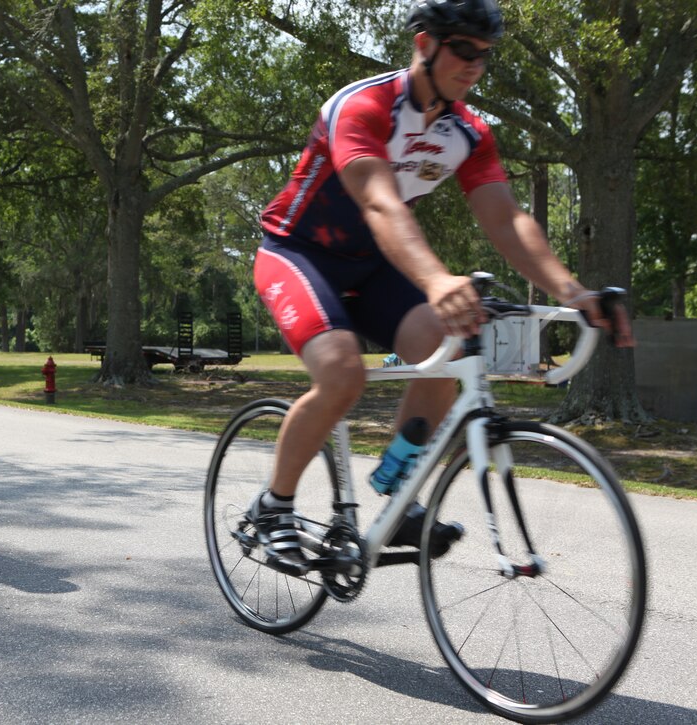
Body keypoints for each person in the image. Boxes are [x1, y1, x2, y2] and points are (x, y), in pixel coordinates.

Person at [249, 0, 633, 574]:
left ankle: (397, 487)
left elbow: (505, 219)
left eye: (485, 55)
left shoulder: (470, 133)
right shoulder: (363, 106)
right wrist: (434, 278)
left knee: (448, 341)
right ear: (425, 43)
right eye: (464, 49)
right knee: (343, 373)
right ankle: (273, 507)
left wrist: (573, 293)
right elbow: (378, 199)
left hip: (374, 267)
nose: (476, 64)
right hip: (299, 254)